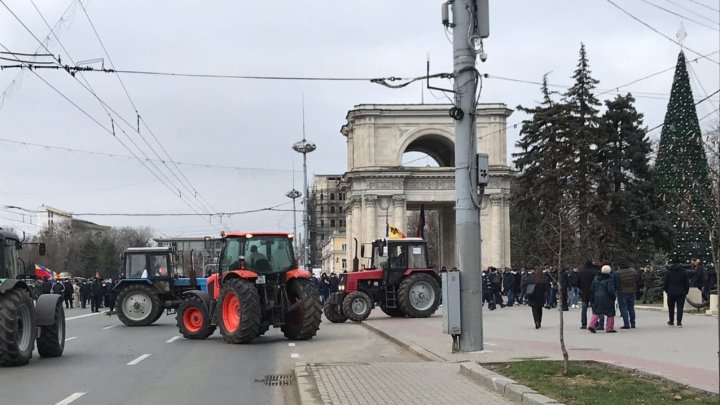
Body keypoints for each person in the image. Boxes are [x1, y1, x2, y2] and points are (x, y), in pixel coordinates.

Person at [588, 265, 617, 333]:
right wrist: (613, 296)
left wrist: (592, 296)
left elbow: (592, 288)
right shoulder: (609, 279)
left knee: (596, 311)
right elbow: (610, 290)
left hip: (597, 297)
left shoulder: (596, 278)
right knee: (610, 313)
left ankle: (591, 325)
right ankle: (609, 327)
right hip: (607, 298)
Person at [663, 261, 690, 327]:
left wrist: (666, 290)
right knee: (680, 307)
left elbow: (665, 282)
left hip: (671, 291)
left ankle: (671, 321)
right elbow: (687, 283)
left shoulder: (669, 272)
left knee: (671, 307)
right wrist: (686, 291)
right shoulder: (684, 272)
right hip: (681, 292)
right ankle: (679, 322)